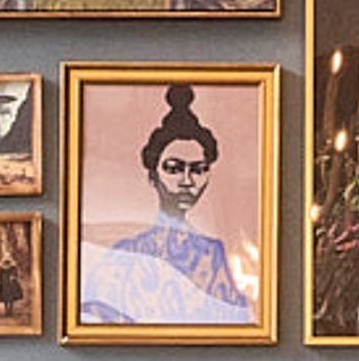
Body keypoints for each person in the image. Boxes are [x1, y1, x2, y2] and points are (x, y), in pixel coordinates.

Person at [76, 83, 259, 330]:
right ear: (153, 175)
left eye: (198, 170)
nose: (187, 181)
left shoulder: (214, 255)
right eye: (174, 169)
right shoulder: (126, 254)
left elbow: (238, 328)